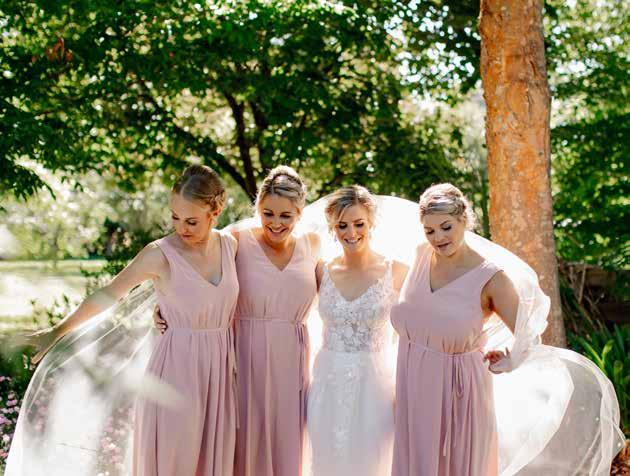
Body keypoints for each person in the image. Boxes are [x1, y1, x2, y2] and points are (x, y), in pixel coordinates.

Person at [6, 164, 240, 476]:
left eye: (191, 221)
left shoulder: (231, 245)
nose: (181, 228)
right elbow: (108, 294)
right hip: (176, 373)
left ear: (216, 212)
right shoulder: (159, 254)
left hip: (221, 373)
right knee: (175, 462)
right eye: (174, 217)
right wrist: (57, 330)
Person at [390, 183, 625, 476]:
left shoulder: (491, 279)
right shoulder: (419, 255)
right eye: (430, 230)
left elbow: (526, 331)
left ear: (464, 219)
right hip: (412, 382)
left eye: (446, 227)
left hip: (458, 392)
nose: (438, 238)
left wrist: (511, 358)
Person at [156, 165, 320, 476]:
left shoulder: (312, 244)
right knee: (242, 447)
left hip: (291, 366)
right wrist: (166, 305)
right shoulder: (235, 241)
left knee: (287, 446)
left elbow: (337, 291)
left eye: (285, 215)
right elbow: (195, 274)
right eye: (267, 213)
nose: (275, 223)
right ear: (257, 208)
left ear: (299, 213)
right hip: (242, 362)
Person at [306, 186, 408, 476]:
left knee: (371, 462)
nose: (351, 232)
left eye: (359, 223)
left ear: (371, 223)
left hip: (375, 385)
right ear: (332, 228)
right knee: (327, 460)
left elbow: (423, 317)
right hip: (327, 383)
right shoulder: (320, 271)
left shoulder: (397, 271)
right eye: (342, 225)